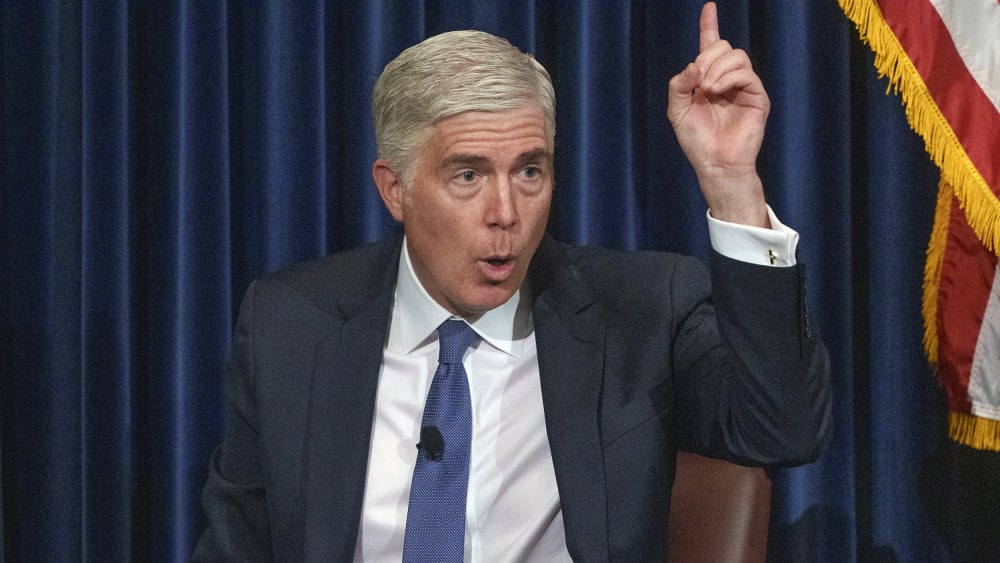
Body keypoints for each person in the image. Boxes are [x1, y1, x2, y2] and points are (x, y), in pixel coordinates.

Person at [193, 3, 831, 561]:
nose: (506, 212)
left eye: (529, 171)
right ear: (396, 189)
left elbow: (783, 427)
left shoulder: (641, 310)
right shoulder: (290, 326)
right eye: (467, 175)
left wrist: (731, 185)